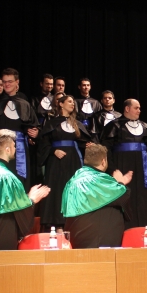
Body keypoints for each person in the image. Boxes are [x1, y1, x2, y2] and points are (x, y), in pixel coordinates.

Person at [0, 130, 51, 250]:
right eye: (14, 146)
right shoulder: (6, 176)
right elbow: (17, 210)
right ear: (7, 149)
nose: (15, 149)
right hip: (3, 231)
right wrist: (31, 200)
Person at [100, 99, 147, 228]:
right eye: (136, 108)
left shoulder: (145, 126)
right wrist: (112, 169)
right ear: (127, 109)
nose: (139, 111)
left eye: (139, 108)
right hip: (123, 166)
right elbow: (105, 148)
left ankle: (145, 227)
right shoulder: (115, 125)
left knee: (143, 196)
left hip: (143, 167)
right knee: (127, 195)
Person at [38, 94, 95, 231]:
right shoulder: (52, 123)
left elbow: (81, 141)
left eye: (73, 102)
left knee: (73, 189)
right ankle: (57, 224)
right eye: (69, 101)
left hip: (73, 161)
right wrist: (53, 151)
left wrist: (87, 145)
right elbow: (43, 143)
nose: (72, 104)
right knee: (58, 190)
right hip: (57, 162)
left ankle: (73, 222)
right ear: (61, 104)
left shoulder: (76, 123)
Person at [62, 144, 133, 248]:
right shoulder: (99, 179)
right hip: (98, 241)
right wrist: (120, 183)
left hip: (75, 239)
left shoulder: (72, 181)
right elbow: (123, 196)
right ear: (103, 161)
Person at [0, 68, 39, 190]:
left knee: (19, 181)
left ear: (17, 82)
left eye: (10, 81)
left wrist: (36, 133)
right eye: (4, 81)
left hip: (19, 149)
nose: (6, 84)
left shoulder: (25, 104)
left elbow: (34, 126)